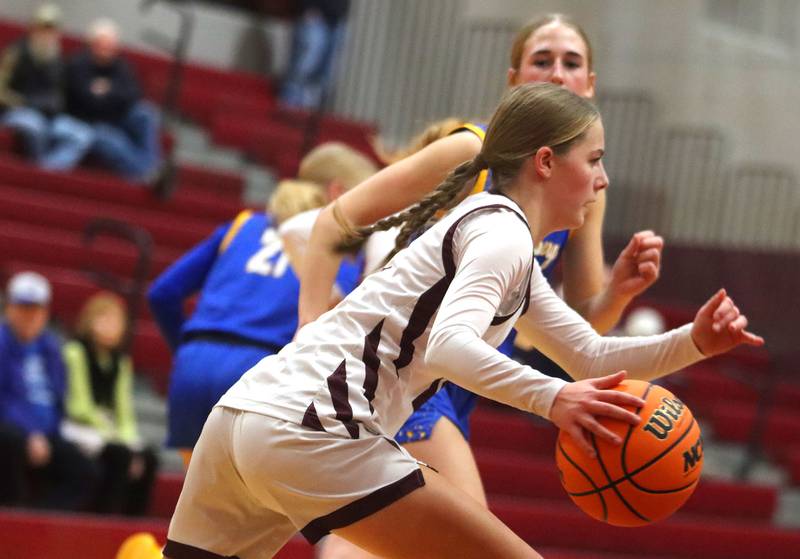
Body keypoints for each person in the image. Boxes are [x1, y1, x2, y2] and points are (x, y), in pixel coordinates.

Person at [162, 83, 763, 559]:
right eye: (596, 160)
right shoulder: (501, 234)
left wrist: (697, 342)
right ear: (547, 163)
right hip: (316, 425)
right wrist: (554, 400)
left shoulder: (501, 240)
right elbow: (451, 346)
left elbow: (594, 357)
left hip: (244, 413)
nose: (604, 180)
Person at [302, 14, 664, 558]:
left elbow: (580, 334)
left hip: (457, 379)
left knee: (376, 539)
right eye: (542, 61)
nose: (557, 73)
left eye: (571, 63)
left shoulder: (585, 185)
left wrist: (619, 293)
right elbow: (335, 221)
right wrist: (308, 326)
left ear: (590, 85)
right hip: (402, 366)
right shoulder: (470, 153)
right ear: (514, 79)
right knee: (465, 544)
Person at [147, 143, 377, 468]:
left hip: (194, 365)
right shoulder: (340, 247)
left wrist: (186, 349)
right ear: (338, 191)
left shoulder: (243, 225)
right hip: (260, 371)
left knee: (201, 507)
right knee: (260, 511)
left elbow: (163, 292)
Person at [0, 271, 98, 511]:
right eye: (24, 308)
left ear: (45, 313)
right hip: (13, 428)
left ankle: (40, 518)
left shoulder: (52, 347)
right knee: (10, 441)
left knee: (87, 471)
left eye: (36, 309)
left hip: (47, 432)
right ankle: (14, 515)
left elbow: (58, 399)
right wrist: (31, 432)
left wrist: (48, 433)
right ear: (9, 308)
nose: (30, 316)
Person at [62, 291, 158, 516]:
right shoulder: (75, 352)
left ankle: (132, 523)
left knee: (148, 458)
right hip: (79, 426)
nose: (111, 326)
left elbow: (125, 413)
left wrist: (128, 440)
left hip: (110, 428)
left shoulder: (121, 362)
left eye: (117, 321)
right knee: (119, 455)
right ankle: (105, 516)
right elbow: (78, 406)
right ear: (90, 320)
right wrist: (112, 435)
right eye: (104, 319)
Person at [65, 18, 164, 185]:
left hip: (117, 117)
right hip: (88, 122)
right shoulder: (78, 64)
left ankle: (155, 168)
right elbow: (87, 101)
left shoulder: (121, 66)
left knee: (145, 113)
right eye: (101, 44)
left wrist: (106, 92)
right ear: (91, 44)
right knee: (114, 139)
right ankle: (149, 175)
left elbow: (133, 94)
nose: (106, 49)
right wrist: (112, 96)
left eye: (110, 45)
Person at [0, 3, 94, 170]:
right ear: (33, 28)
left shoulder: (58, 59)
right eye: (43, 28)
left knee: (82, 135)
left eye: (52, 30)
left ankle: (46, 170)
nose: (47, 34)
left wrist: (53, 105)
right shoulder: (16, 53)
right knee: (34, 126)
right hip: (18, 111)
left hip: (49, 115)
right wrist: (24, 102)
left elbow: (60, 93)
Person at [280, 0, 351, 109]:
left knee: (327, 72)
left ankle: (308, 107)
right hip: (315, 13)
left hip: (337, 18)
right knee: (306, 63)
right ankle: (289, 103)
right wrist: (308, 7)